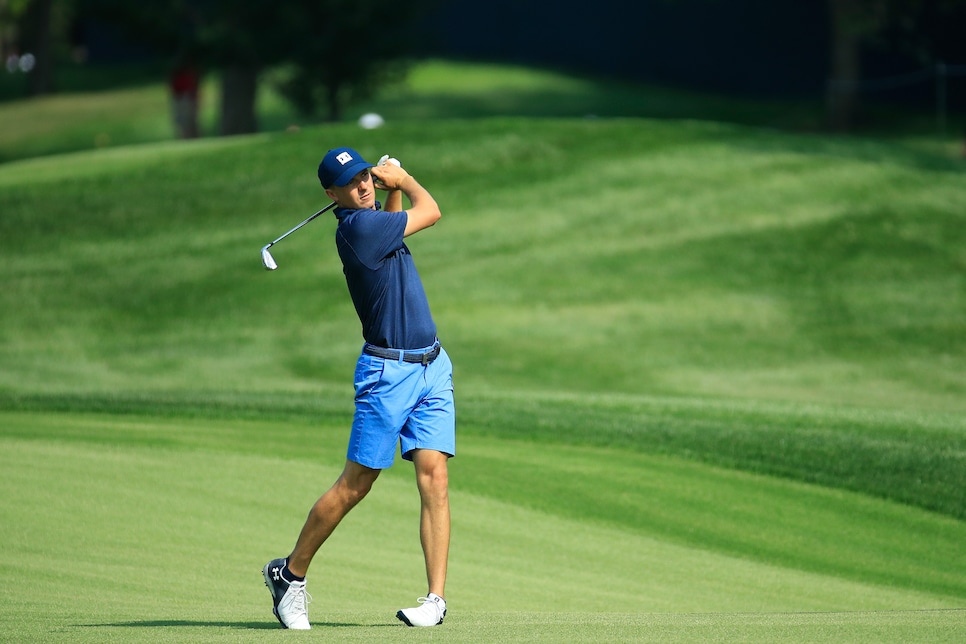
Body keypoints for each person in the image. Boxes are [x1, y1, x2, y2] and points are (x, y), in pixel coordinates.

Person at [263, 147, 455, 630]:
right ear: (333, 196)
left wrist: (388, 192)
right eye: (353, 184)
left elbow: (395, 226)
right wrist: (405, 179)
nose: (365, 187)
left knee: (435, 478)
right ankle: (290, 573)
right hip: (387, 374)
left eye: (367, 176)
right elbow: (430, 211)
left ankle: (435, 600)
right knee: (356, 484)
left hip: (432, 364)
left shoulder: (372, 221)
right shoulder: (357, 229)